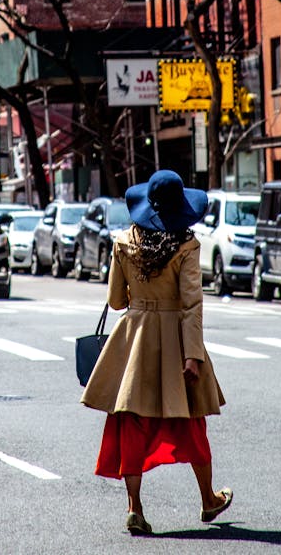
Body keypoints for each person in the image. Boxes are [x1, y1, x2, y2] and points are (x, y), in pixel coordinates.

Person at [80, 169, 232, 536]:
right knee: (192, 419)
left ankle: (134, 507)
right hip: (178, 340)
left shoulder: (123, 243)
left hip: (134, 340)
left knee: (132, 421)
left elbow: (116, 301)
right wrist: (192, 355)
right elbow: (192, 304)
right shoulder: (187, 246)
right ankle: (208, 498)